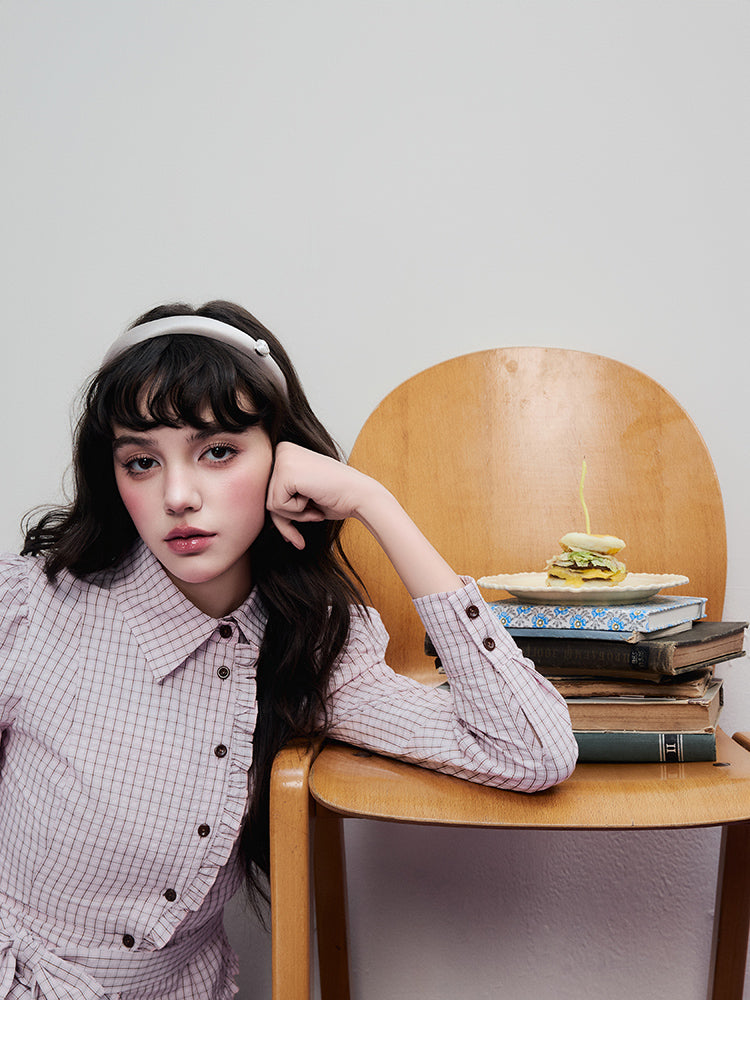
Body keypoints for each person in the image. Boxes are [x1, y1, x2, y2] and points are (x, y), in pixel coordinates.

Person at [0, 300, 577, 1000]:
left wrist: (374, 503)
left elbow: (532, 751)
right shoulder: (30, 609)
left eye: (218, 452)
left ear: (283, 456)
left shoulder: (311, 648)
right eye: (142, 461)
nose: (179, 496)